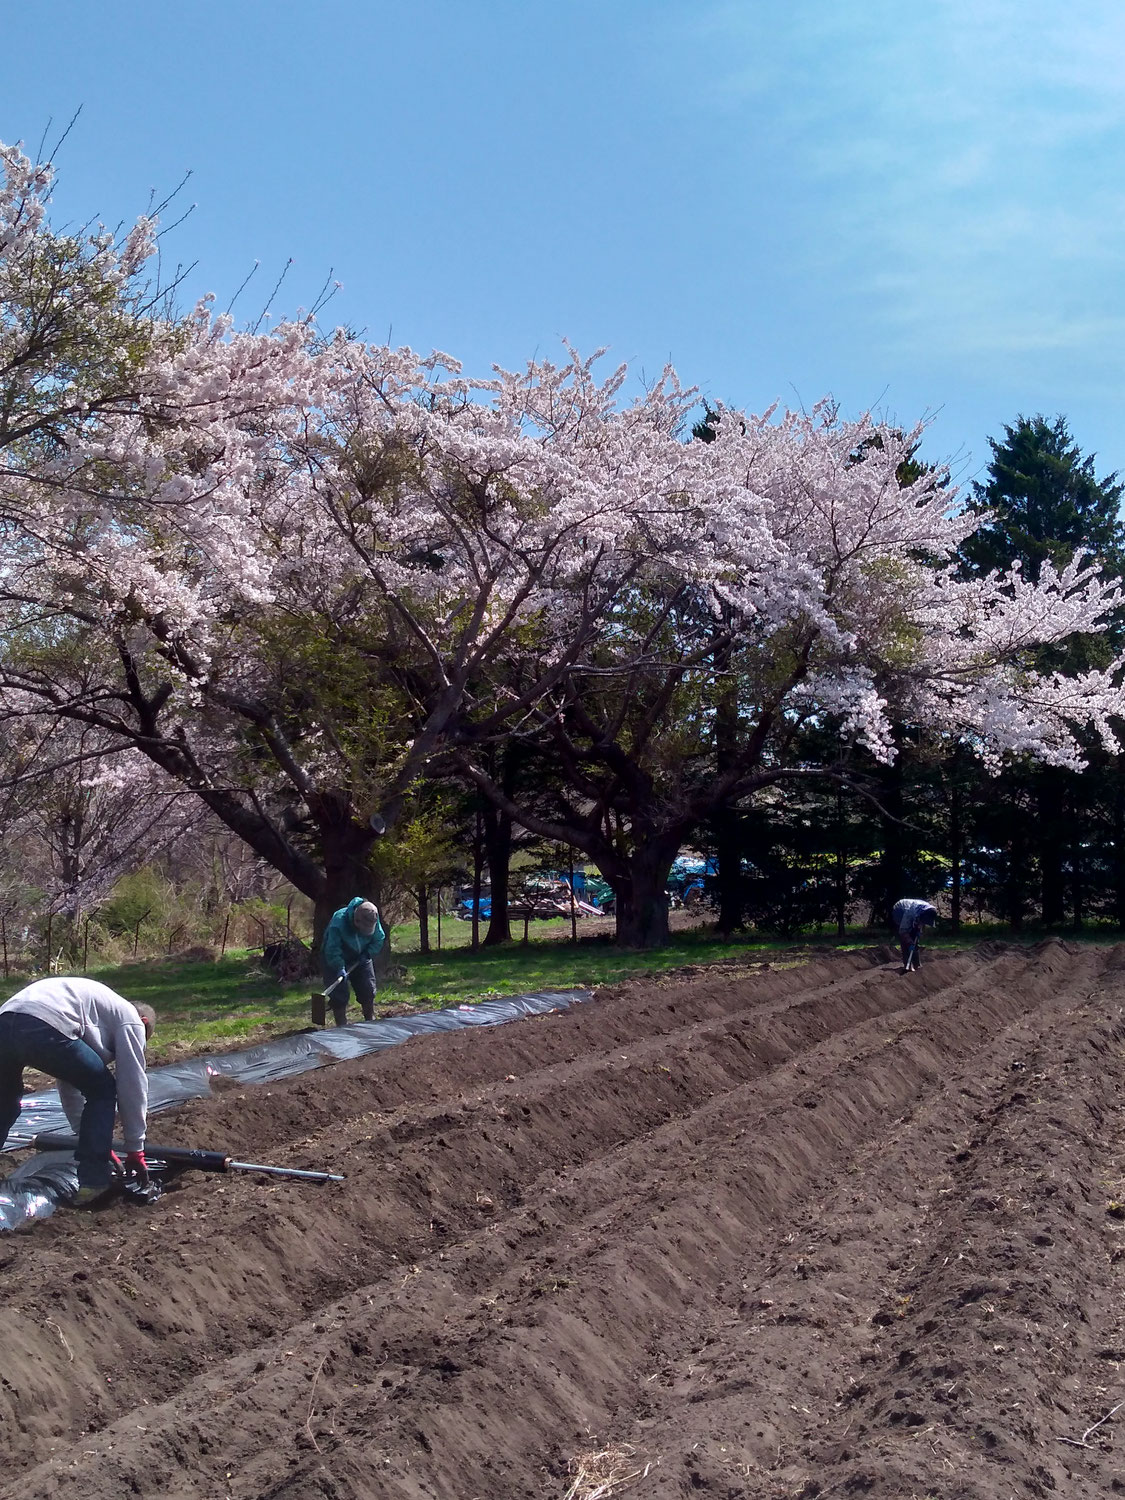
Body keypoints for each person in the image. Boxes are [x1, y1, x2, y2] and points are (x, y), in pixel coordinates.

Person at [0, 977, 155, 1207]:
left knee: (5, 1102)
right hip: (43, 1022)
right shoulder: (131, 1021)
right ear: (143, 1022)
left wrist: (93, 1140)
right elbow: (132, 1085)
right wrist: (135, 1149)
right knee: (102, 1089)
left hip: (6, 1020)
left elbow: (69, 1080)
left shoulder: (99, 1011)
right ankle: (93, 1182)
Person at [320, 897, 386, 1026]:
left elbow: (379, 938)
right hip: (336, 957)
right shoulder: (338, 921)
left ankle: (370, 1019)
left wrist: (368, 953)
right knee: (339, 995)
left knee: (367, 988)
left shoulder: (372, 915)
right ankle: (342, 1025)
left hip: (361, 956)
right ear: (356, 921)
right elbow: (332, 949)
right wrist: (339, 966)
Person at [892, 898, 938, 973]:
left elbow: (922, 922)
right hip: (899, 910)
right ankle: (907, 965)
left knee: (915, 940)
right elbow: (903, 931)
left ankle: (917, 965)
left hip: (914, 912)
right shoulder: (910, 913)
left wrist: (919, 931)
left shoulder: (929, 911)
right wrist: (909, 942)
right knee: (906, 941)